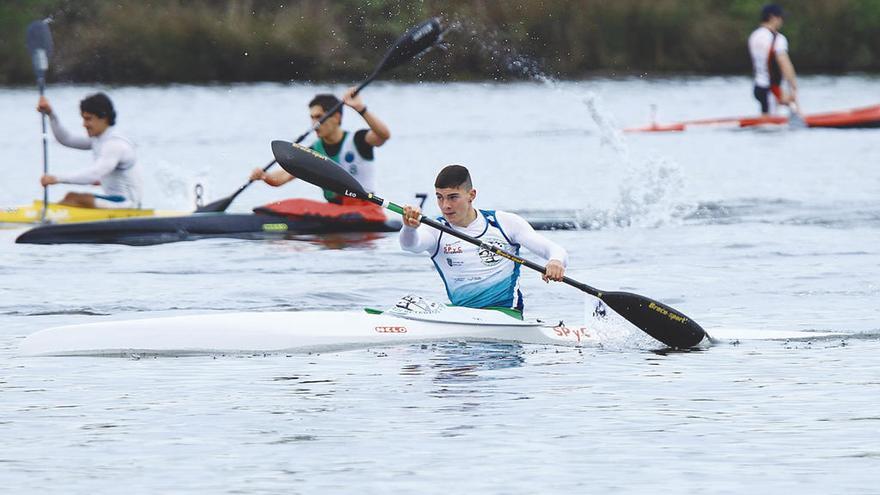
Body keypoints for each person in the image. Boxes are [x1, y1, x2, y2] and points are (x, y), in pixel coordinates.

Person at [399, 165, 567, 318]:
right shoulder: (436, 229)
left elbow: (553, 249)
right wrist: (409, 227)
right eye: (439, 197)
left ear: (471, 195)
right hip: (463, 316)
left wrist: (555, 262)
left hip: (506, 315)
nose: (445, 206)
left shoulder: (504, 222)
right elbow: (410, 246)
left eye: (452, 197)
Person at [250, 88, 391, 220]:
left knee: (299, 205)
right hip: (335, 212)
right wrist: (264, 176)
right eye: (311, 117)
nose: (314, 123)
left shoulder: (359, 140)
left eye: (318, 117)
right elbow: (283, 177)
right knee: (292, 205)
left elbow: (383, 135)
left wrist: (361, 109)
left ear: (336, 117)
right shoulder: (314, 150)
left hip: (367, 212)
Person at [36, 92, 142, 208]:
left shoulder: (114, 144)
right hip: (115, 201)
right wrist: (51, 114)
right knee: (70, 197)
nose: (84, 124)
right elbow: (66, 139)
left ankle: (47, 219)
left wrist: (56, 178)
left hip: (128, 205)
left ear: (104, 118)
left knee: (75, 199)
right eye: (83, 119)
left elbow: (94, 174)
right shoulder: (99, 139)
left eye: (88, 119)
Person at [748, 4, 800, 115]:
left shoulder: (754, 36)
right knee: (771, 125)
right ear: (772, 17)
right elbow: (784, 63)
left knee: (766, 115)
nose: (782, 21)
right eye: (780, 17)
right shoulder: (778, 39)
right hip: (771, 88)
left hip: (758, 86)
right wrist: (793, 85)